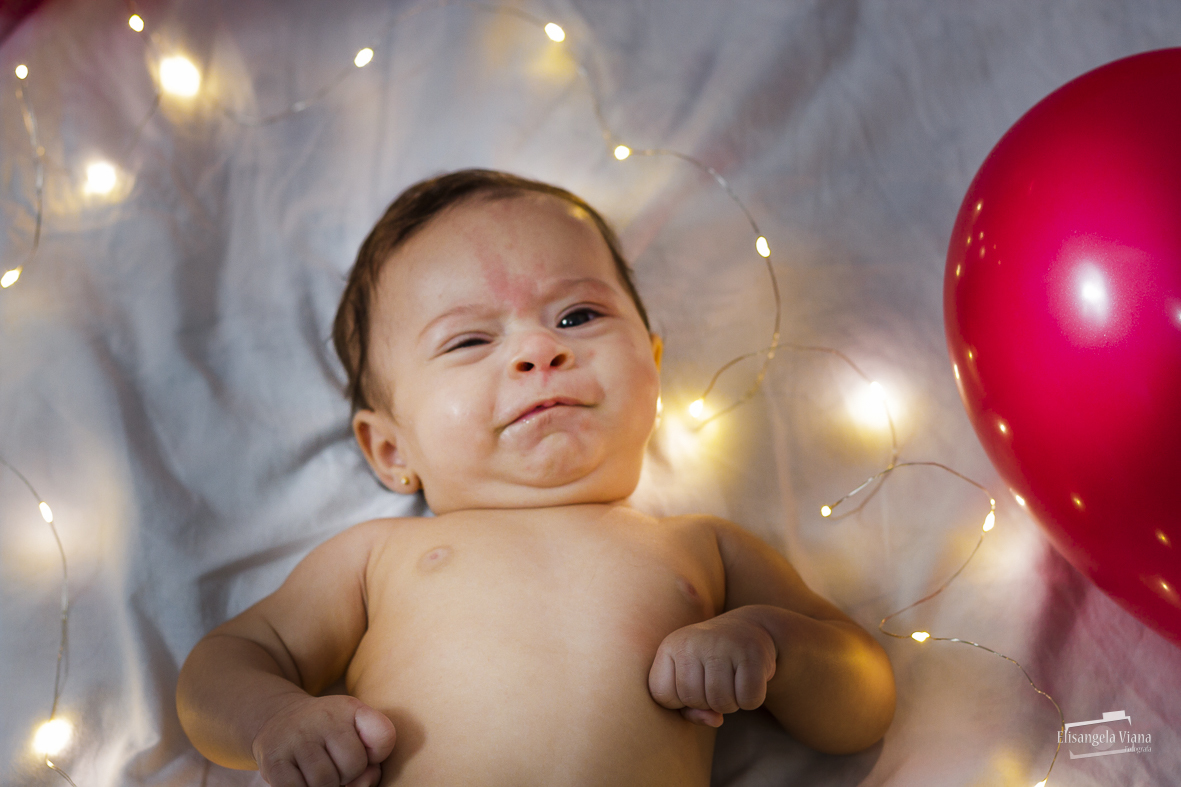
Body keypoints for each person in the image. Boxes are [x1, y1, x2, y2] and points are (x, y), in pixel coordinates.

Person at [176, 169, 896, 787]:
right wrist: (276, 718)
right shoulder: (375, 558)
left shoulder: (705, 547)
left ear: (652, 368)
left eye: (577, 315)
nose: (538, 350)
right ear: (390, 449)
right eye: (469, 339)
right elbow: (224, 665)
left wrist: (772, 643)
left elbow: (865, 699)